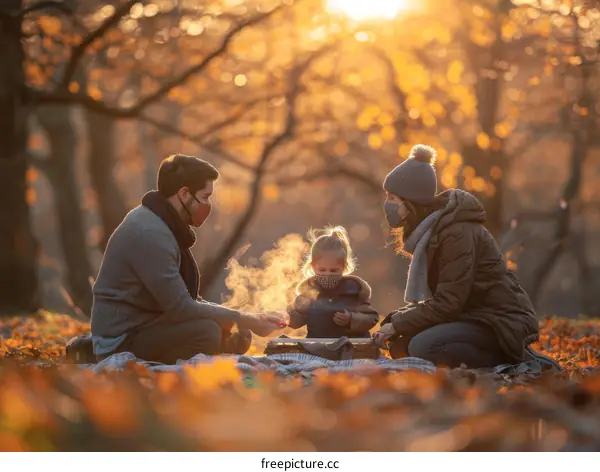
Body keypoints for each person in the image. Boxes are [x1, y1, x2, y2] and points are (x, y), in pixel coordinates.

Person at [372, 144, 562, 371]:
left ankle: (518, 360)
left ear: (410, 201)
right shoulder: (432, 232)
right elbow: (446, 299)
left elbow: (449, 303)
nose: (387, 204)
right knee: (400, 344)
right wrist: (394, 322)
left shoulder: (456, 233)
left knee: (424, 348)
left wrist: (398, 322)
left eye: (392, 198)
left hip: (496, 320)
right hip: (469, 316)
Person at [90, 154, 283, 364]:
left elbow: (186, 300)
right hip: (122, 340)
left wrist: (246, 319)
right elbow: (181, 307)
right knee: (206, 332)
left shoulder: (165, 224)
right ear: (184, 194)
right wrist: (248, 319)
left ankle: (218, 352)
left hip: (150, 324)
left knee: (235, 330)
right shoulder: (150, 233)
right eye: (206, 197)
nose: (208, 204)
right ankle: (203, 360)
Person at [286, 226, 379, 338]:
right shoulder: (309, 291)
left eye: (334, 270)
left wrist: (351, 319)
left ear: (344, 267)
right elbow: (295, 321)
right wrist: (291, 312)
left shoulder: (353, 290)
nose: (327, 274)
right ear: (313, 267)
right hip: (319, 348)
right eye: (322, 270)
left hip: (352, 349)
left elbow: (371, 318)